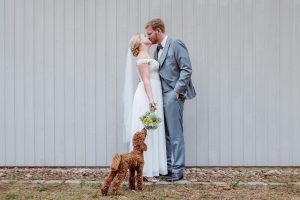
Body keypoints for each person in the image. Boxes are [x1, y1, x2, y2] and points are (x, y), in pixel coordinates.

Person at [145, 18, 196, 182]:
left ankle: (178, 169)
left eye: (150, 33)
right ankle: (167, 167)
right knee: (165, 134)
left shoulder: (176, 44)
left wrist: (177, 91)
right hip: (161, 96)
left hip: (173, 95)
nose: (149, 37)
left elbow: (186, 69)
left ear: (158, 30)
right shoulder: (156, 51)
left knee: (175, 134)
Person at [123, 33, 168, 182]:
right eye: (144, 35)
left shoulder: (147, 54)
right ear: (139, 41)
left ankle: (153, 168)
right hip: (147, 95)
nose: (147, 36)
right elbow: (146, 79)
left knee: (154, 129)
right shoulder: (142, 56)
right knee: (147, 130)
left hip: (154, 92)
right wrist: (151, 99)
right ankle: (146, 171)